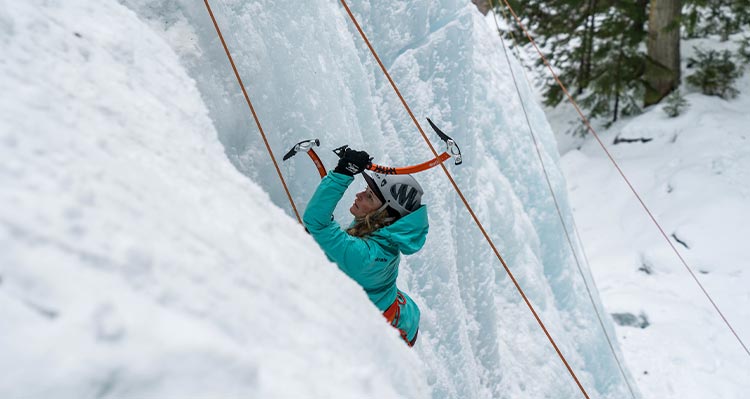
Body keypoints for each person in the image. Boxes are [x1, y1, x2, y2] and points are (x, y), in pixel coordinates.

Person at [302, 148, 428, 347]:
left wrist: (343, 173)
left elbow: (316, 222)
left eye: (369, 197)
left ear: (384, 214)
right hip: (392, 309)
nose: (359, 195)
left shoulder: (366, 257)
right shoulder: (377, 232)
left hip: (388, 335)